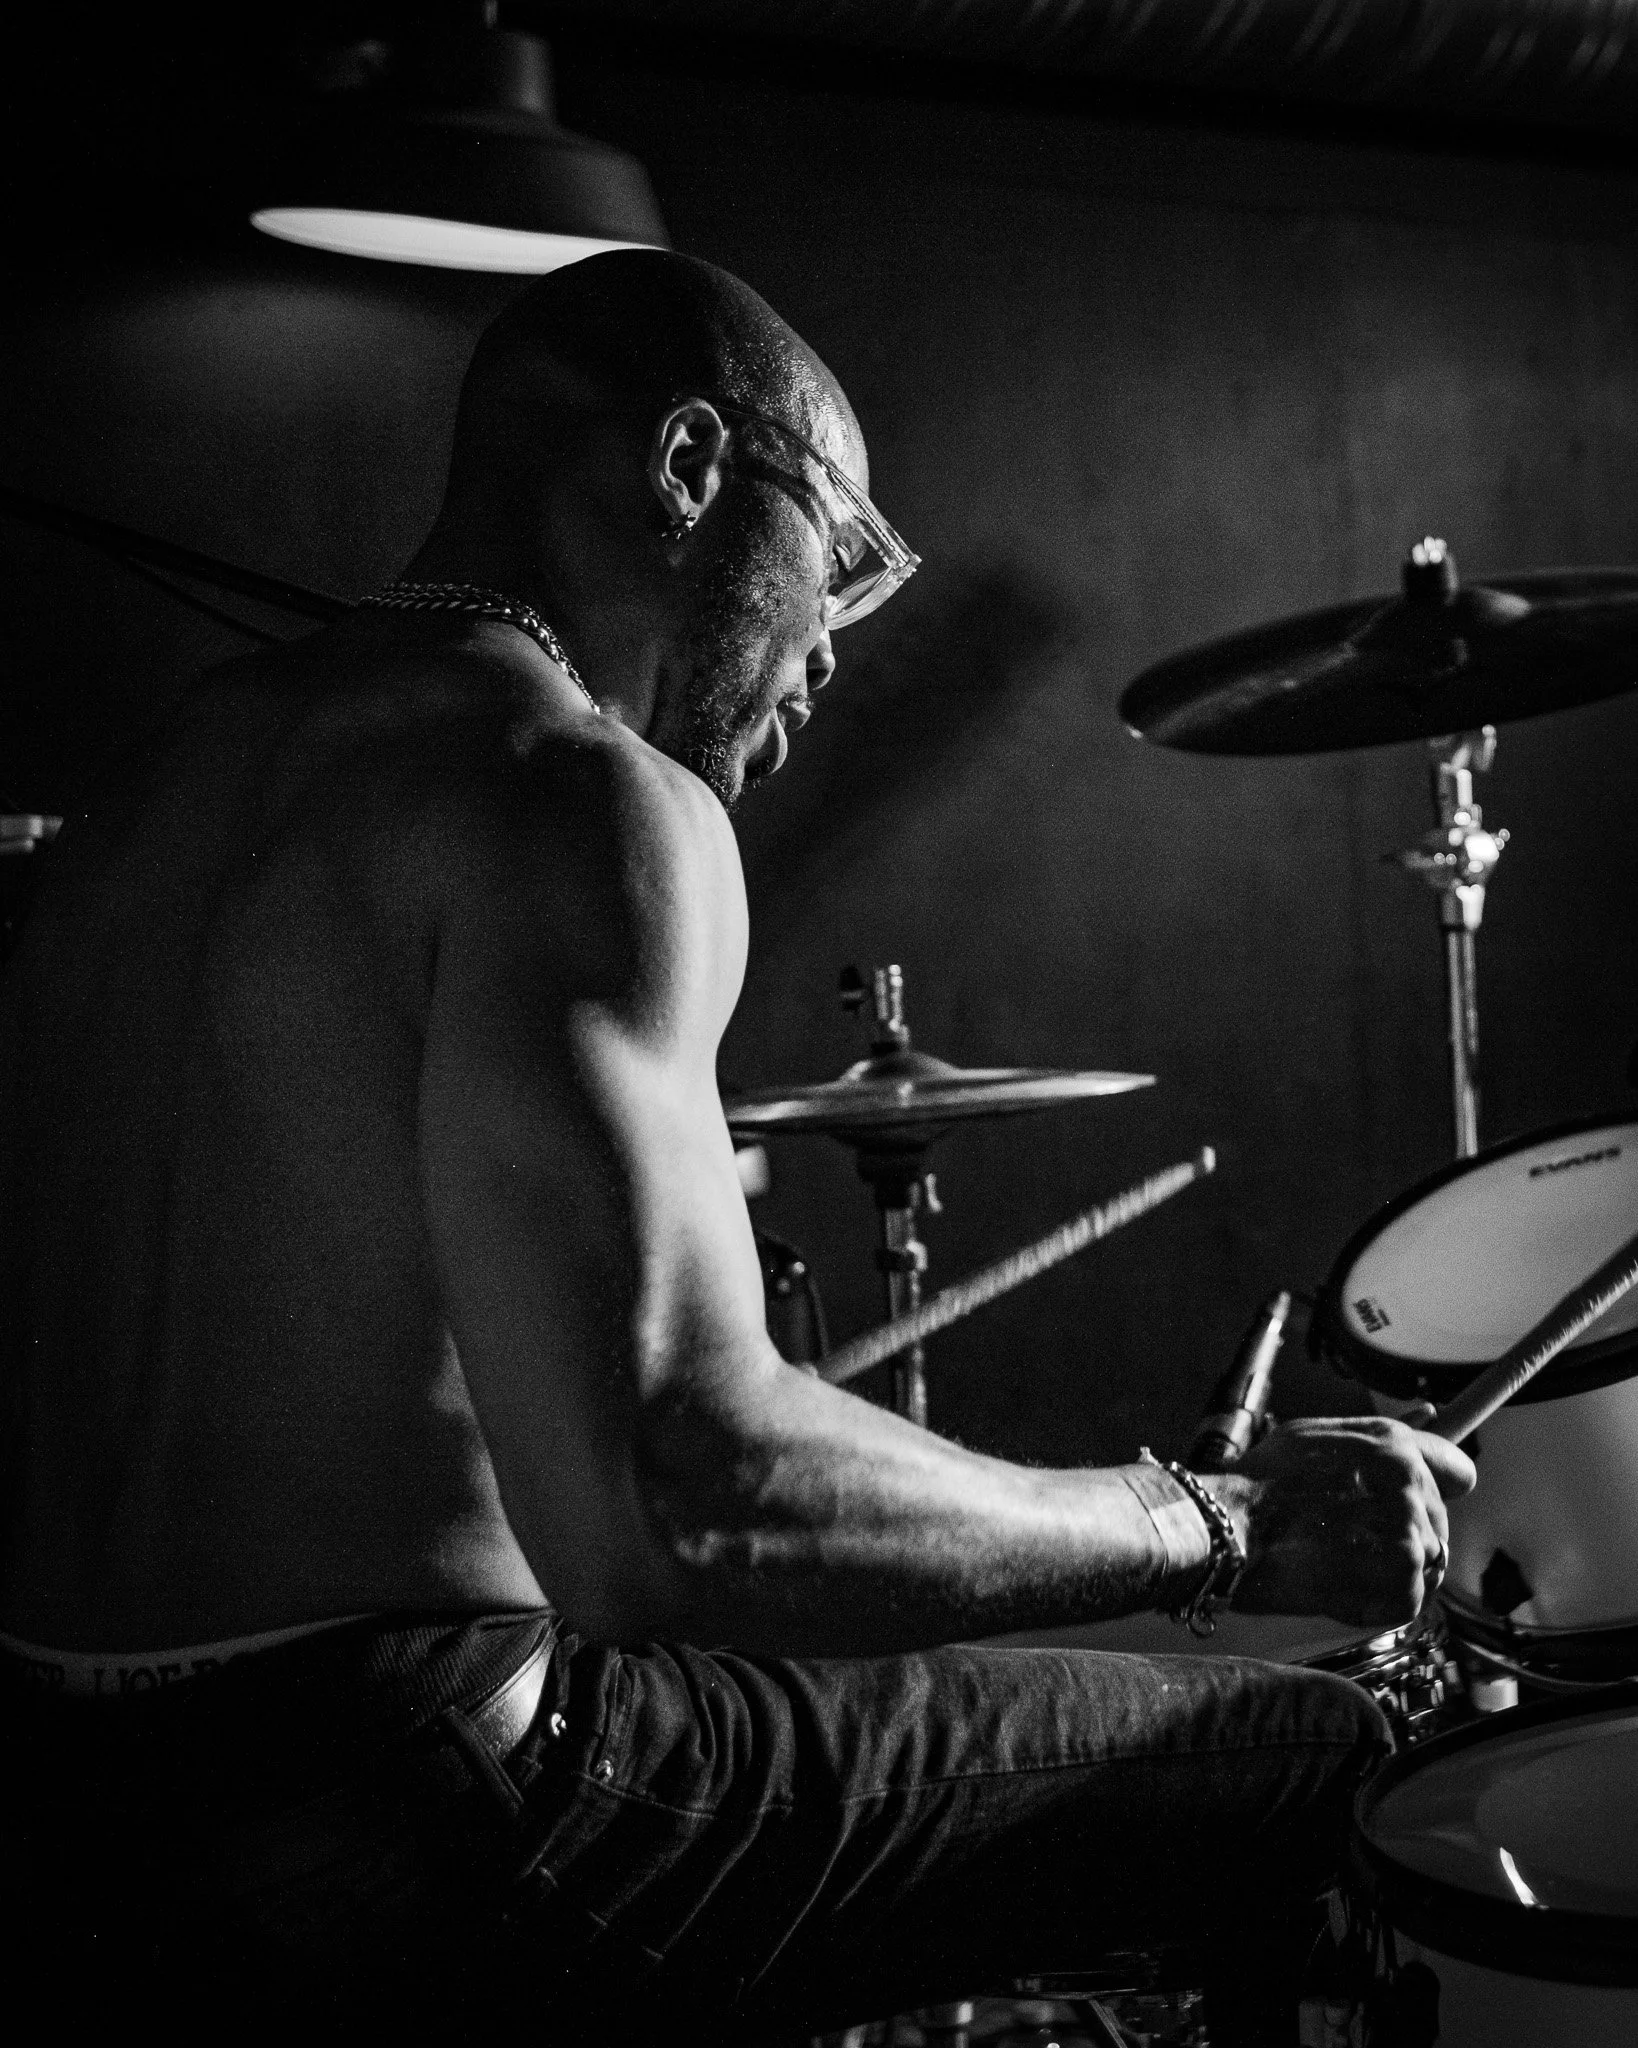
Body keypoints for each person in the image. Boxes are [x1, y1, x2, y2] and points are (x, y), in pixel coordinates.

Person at [0, 250, 1474, 2042]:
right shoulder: (575, 790)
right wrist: (1213, 1522)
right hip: (408, 1803)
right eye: (833, 556)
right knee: (1311, 1752)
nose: (829, 653)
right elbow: (680, 1513)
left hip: (65, 1811)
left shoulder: (158, 785)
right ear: (692, 467)